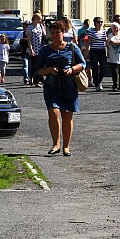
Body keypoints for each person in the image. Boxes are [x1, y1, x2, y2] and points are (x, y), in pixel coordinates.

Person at [34, 20, 87, 157]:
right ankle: (56, 144)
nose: (55, 35)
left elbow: (83, 64)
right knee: (53, 112)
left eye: (58, 32)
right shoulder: (45, 50)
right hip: (51, 88)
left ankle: (66, 147)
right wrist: (49, 70)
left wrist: (71, 69)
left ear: (63, 32)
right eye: (52, 33)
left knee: (67, 116)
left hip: (69, 87)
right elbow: (38, 70)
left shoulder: (72, 47)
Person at [84, 17, 109, 91]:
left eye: (101, 22)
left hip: (102, 51)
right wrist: (86, 52)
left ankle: (98, 81)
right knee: (94, 67)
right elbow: (88, 42)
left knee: (103, 68)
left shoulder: (104, 31)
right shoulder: (92, 31)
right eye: (98, 22)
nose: (100, 23)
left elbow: (106, 41)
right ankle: (97, 84)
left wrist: (108, 50)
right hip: (94, 51)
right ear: (95, 23)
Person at [23, 13, 46, 86]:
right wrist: (31, 49)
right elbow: (29, 40)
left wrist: (44, 27)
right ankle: (31, 78)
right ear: (35, 19)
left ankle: (37, 80)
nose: (40, 20)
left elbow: (44, 35)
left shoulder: (40, 26)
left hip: (40, 47)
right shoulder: (29, 28)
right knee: (34, 65)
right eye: (39, 19)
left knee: (40, 64)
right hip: (34, 48)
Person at [107, 22, 120, 91]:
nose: (116, 29)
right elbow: (111, 42)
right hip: (113, 57)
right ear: (112, 29)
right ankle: (115, 84)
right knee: (115, 71)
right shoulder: (110, 35)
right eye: (114, 28)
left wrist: (117, 42)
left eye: (117, 28)